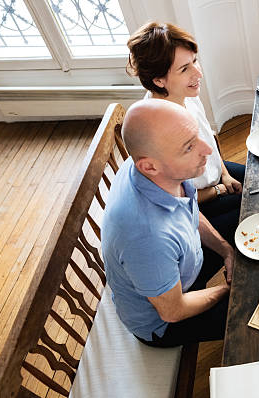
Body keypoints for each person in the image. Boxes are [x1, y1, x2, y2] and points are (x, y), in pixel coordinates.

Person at [102, 99, 234, 348]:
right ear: (149, 166)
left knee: (245, 215)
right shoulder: (146, 237)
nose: (207, 149)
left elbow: (188, 212)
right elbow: (173, 311)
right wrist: (231, 291)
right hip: (166, 321)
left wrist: (226, 250)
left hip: (182, 266)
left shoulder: (159, 170)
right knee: (256, 309)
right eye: (188, 147)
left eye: (197, 137)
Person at [126, 21, 243, 244]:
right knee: (256, 210)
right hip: (197, 205)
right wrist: (219, 189)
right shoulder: (156, 129)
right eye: (184, 69)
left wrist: (225, 174)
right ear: (158, 80)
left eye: (194, 61)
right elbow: (176, 199)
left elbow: (209, 140)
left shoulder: (187, 94)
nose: (198, 73)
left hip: (215, 177)